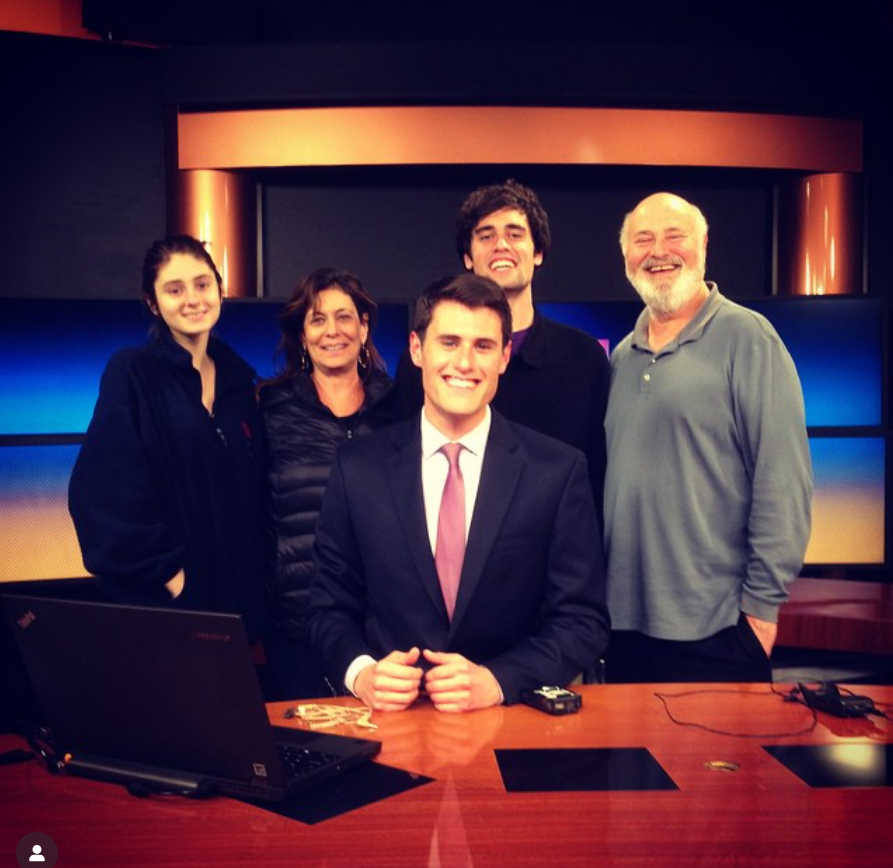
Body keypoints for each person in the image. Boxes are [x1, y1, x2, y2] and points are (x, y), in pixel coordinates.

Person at [309, 273, 609, 712]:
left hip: (510, 720)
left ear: (504, 356)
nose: (465, 363)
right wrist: (361, 673)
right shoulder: (357, 468)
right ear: (417, 349)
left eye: (483, 346)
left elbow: (583, 621)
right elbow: (327, 609)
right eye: (449, 342)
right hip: (392, 723)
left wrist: (499, 680)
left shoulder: (557, 471)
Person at [604, 192, 812, 683]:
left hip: (716, 629)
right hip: (623, 627)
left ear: (703, 247)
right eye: (643, 239)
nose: (659, 251)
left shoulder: (749, 338)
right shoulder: (622, 358)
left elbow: (783, 482)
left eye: (674, 236)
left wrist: (760, 610)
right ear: (626, 256)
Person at [68, 235, 267, 641]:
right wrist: (170, 576)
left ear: (219, 289)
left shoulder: (240, 382)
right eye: (174, 290)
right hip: (166, 609)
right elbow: (98, 496)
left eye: (202, 284)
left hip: (237, 612)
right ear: (153, 302)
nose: (192, 299)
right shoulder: (133, 373)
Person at [393, 179, 611, 528]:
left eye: (515, 233)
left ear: (538, 252)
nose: (501, 246)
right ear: (468, 256)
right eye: (486, 235)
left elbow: (597, 483)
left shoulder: (584, 360)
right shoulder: (424, 363)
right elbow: (401, 468)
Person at [259, 267, 393, 699]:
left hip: (385, 630)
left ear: (364, 326)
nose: (332, 331)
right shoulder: (269, 409)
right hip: (296, 624)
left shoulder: (400, 406)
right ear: (301, 333)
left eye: (344, 316)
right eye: (317, 319)